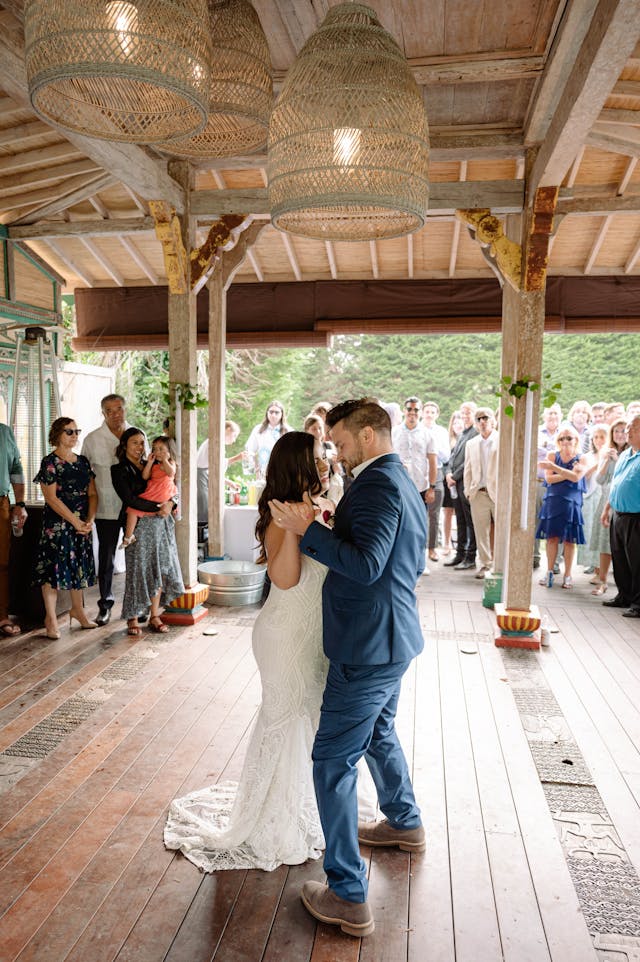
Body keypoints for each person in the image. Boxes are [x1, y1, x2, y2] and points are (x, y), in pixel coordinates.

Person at [270, 399, 427, 938]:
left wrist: (309, 528)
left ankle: (347, 893)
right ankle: (404, 821)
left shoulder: (380, 484)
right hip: (392, 637)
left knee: (333, 760)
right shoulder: (399, 478)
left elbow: (365, 564)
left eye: (337, 442)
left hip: (367, 646)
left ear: (366, 435)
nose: (333, 451)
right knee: (380, 732)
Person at [164, 432, 333, 871]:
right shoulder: (282, 515)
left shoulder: (312, 507)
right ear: (296, 464)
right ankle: (264, 820)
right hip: (284, 634)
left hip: (309, 633)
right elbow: (285, 579)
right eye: (315, 458)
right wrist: (299, 532)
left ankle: (301, 805)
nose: (323, 463)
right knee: (282, 718)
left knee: (307, 719)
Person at [111, 428, 183, 636]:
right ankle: (132, 616)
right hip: (139, 525)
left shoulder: (155, 463)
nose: (140, 447)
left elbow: (173, 488)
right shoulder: (119, 470)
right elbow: (130, 499)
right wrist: (160, 507)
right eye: (135, 443)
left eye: (142, 443)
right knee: (137, 569)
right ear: (124, 445)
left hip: (161, 524)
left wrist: (171, 503)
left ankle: (154, 615)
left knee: (158, 567)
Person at [32, 417, 98, 639]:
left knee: (77, 565)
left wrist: (89, 520)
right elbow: (51, 498)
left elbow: (92, 493)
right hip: (58, 524)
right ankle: (50, 618)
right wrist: (75, 522)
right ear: (58, 434)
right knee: (53, 569)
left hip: (81, 523)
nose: (74, 435)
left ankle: (78, 610)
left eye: (76, 431)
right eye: (69, 431)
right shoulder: (49, 462)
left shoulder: (83, 462)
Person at [81, 394, 134, 625]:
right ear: (103, 413)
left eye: (119, 409)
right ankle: (105, 605)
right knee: (107, 557)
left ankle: (136, 604)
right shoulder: (92, 439)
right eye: (110, 410)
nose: (116, 414)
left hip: (134, 507)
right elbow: (83, 473)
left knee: (135, 556)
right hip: (106, 507)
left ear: (125, 409)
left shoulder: (136, 434)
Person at [536, 424, 588, 589]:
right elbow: (549, 479)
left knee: (569, 540)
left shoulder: (582, 458)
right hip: (553, 500)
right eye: (561, 438)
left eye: (569, 438)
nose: (565, 441)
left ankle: (568, 575)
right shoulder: (552, 455)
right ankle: (549, 571)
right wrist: (566, 473)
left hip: (572, 502)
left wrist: (555, 469)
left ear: (576, 439)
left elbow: (575, 478)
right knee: (551, 538)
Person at [601, 414, 640, 618]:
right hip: (618, 514)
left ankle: (638, 603)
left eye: (633, 428)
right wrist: (607, 508)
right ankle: (624, 595)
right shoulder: (625, 454)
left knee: (637, 561)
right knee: (620, 558)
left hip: (636, 517)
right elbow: (616, 483)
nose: (628, 432)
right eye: (628, 428)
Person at [392, 397, 436, 571]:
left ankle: (419, 563)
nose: (412, 412)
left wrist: (432, 487)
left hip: (420, 488)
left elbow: (433, 462)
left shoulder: (427, 433)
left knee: (419, 525)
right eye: (409, 409)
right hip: (399, 486)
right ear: (404, 411)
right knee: (397, 524)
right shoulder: (394, 432)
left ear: (419, 412)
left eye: (416, 410)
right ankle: (398, 562)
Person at [589, 420, 627, 596]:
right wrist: (605, 460)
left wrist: (617, 460)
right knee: (604, 542)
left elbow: (624, 476)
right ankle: (602, 580)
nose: (619, 434)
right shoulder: (609, 452)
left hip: (621, 502)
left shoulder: (630, 453)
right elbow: (599, 480)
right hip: (605, 499)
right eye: (616, 431)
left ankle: (622, 586)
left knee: (620, 547)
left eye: (622, 431)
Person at [121, 436, 177, 548]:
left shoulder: (170, 462)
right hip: (153, 492)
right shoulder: (154, 465)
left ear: (169, 451)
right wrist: (150, 463)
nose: (158, 452)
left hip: (161, 492)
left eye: (161, 449)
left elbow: (171, 473)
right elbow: (145, 476)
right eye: (155, 449)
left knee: (133, 510)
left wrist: (165, 460)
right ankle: (128, 536)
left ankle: (128, 537)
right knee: (132, 511)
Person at [463, 408, 499, 579]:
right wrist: (468, 491)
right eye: (478, 419)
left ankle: (499, 565)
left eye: (485, 418)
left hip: (499, 493)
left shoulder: (502, 440)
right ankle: (485, 564)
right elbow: (468, 469)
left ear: (493, 420)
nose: (482, 421)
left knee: (502, 531)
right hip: (478, 493)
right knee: (480, 532)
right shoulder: (471, 443)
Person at [0, 422, 27, 636]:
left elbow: (16, 469)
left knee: (2, 563)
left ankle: (2, 615)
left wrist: (20, 504)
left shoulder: (4, 432)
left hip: (1, 504)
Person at [444, 401, 478, 569]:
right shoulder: (463, 433)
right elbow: (453, 457)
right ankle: (459, 554)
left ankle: (470, 557)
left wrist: (455, 476)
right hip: (455, 483)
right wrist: (448, 473)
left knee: (469, 520)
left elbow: (469, 460)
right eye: (462, 413)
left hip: (465, 482)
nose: (464, 416)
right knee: (460, 519)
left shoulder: (475, 433)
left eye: (468, 413)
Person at [197, 421, 242, 525]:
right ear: (228, 430)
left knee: (204, 513)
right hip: (201, 480)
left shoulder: (214, 442)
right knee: (203, 513)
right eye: (234, 435)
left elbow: (214, 470)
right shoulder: (214, 442)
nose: (234, 440)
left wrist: (230, 483)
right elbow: (216, 467)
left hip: (203, 477)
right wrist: (238, 458)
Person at [421, 400, 450, 562]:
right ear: (422, 413)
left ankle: (432, 548)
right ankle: (418, 549)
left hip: (437, 472)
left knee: (434, 514)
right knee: (418, 513)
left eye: (433, 412)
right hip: (419, 474)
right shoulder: (417, 430)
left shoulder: (441, 432)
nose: (429, 414)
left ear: (437, 415)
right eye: (427, 411)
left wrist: (432, 447)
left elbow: (446, 456)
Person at [534, 403, 562, 570]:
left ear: (561, 416)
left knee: (555, 523)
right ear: (544, 416)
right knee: (534, 521)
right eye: (549, 413)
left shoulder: (565, 434)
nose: (552, 416)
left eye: (555, 413)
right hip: (538, 483)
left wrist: (546, 453)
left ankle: (555, 562)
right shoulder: (536, 432)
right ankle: (534, 557)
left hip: (557, 485)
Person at [245, 401, 292, 478]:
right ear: (267, 413)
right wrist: (255, 467)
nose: (273, 415)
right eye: (271, 412)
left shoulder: (289, 431)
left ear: (282, 414)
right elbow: (250, 450)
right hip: (263, 472)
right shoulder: (258, 429)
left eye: (277, 412)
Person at [441, 410, 463, 556]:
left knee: (461, 514)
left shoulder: (467, 439)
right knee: (447, 512)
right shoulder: (447, 440)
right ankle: (446, 544)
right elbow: (444, 462)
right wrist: (448, 475)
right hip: (447, 481)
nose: (457, 424)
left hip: (460, 480)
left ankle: (462, 545)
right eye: (454, 422)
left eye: (460, 421)